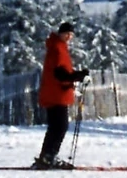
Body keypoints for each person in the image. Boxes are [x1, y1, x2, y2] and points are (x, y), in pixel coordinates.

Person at [34, 21, 89, 169]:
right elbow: (60, 74)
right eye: (67, 34)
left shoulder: (58, 47)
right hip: (56, 94)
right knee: (60, 126)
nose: (69, 37)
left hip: (54, 93)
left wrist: (77, 75)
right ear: (61, 33)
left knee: (55, 126)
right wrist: (78, 76)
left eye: (71, 34)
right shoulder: (58, 48)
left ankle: (46, 156)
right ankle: (49, 156)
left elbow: (62, 71)